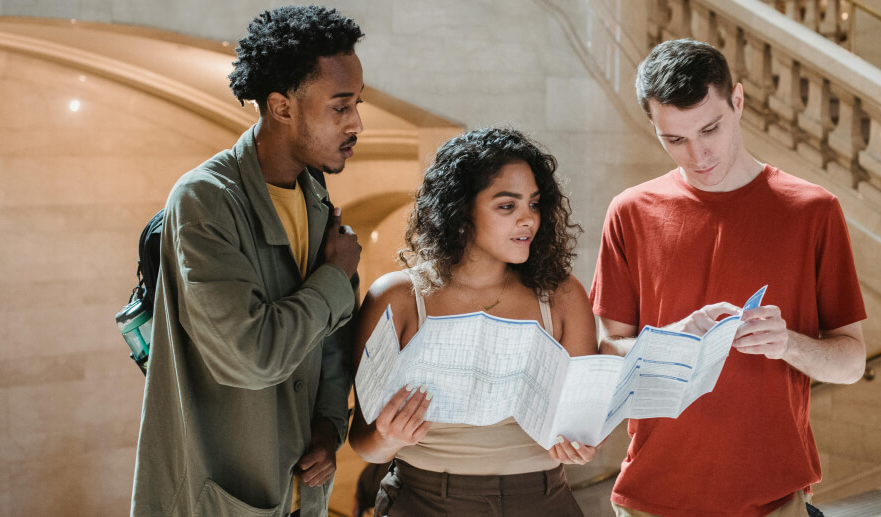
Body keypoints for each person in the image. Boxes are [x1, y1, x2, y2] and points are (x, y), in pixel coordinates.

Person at [590, 39, 868, 517]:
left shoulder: (812, 211)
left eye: (710, 129)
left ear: (737, 102)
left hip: (773, 500)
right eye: (674, 139)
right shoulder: (630, 212)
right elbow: (605, 354)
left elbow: (852, 361)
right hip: (651, 499)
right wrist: (673, 338)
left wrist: (789, 344)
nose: (698, 155)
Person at [130, 6, 365, 516]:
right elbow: (250, 355)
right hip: (221, 498)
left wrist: (329, 427)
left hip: (305, 499)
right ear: (282, 107)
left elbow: (329, 341)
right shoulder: (203, 200)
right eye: (340, 107)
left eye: (358, 105)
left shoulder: (316, 197)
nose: (357, 123)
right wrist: (335, 275)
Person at [348, 127, 598, 516]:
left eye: (533, 204)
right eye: (506, 206)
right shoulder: (397, 298)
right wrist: (387, 436)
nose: (527, 220)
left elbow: (582, 429)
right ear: (461, 209)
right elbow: (362, 441)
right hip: (424, 500)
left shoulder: (563, 295)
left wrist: (580, 446)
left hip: (542, 500)